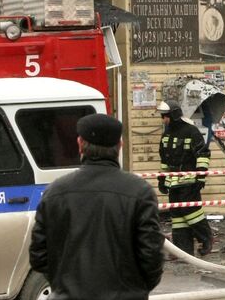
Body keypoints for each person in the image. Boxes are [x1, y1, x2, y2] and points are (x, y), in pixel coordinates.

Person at [30, 113, 163, 300]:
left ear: (79, 144)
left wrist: (63, 284)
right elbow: (152, 254)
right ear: (120, 146)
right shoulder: (140, 192)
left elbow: (39, 255)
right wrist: (136, 289)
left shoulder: (55, 192)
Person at [156, 100, 213, 256]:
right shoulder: (166, 134)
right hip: (173, 181)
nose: (164, 120)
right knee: (177, 215)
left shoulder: (191, 131)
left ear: (173, 115)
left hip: (189, 180)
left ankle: (206, 238)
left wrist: (200, 177)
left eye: (165, 116)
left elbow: (203, 154)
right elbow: (164, 160)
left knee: (190, 211)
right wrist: (162, 179)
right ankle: (183, 251)